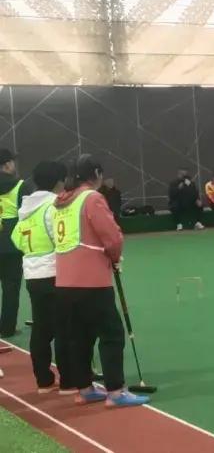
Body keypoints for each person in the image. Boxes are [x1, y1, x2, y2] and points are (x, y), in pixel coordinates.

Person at [54, 154, 149, 408]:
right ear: (95, 173)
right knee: (112, 334)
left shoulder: (61, 202)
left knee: (79, 336)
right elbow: (112, 236)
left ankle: (84, 388)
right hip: (91, 280)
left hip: (64, 281)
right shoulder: (92, 198)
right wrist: (114, 257)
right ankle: (115, 392)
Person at [11, 160, 71, 393]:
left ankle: (44, 381)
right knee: (64, 328)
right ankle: (68, 381)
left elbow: (16, 239)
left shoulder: (25, 209)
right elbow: (62, 238)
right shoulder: (53, 206)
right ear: (58, 181)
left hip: (32, 274)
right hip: (55, 272)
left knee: (41, 328)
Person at [0, 148, 29, 339]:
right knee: (11, 288)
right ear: (7, 165)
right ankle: (7, 328)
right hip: (11, 245)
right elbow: (26, 215)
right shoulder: (20, 186)